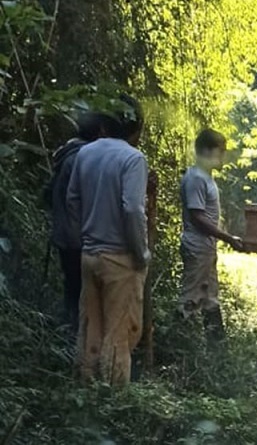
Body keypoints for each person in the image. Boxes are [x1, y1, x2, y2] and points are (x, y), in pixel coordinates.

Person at [66, 94, 149, 386]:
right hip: (121, 257)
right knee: (119, 334)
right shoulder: (133, 158)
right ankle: (113, 403)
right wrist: (141, 254)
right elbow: (133, 209)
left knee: (90, 328)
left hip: (89, 254)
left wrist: (84, 238)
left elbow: (72, 200)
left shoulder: (85, 153)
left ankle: (85, 393)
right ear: (135, 127)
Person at [179, 128, 245, 344]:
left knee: (209, 296)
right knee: (191, 297)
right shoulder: (196, 178)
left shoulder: (205, 178)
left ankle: (217, 346)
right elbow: (197, 217)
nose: (224, 156)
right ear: (207, 150)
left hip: (206, 248)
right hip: (197, 246)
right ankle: (180, 347)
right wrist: (228, 238)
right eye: (221, 150)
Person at [44, 112, 102, 335]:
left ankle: (69, 337)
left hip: (64, 234)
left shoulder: (66, 153)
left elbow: (49, 194)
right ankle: (75, 341)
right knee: (80, 293)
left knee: (72, 287)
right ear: (99, 133)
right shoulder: (82, 157)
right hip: (77, 237)